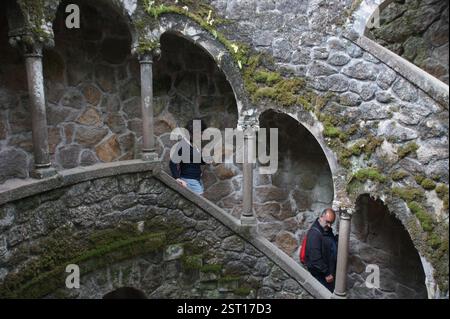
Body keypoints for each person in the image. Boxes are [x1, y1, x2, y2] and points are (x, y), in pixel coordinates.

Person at [169, 119, 208, 195]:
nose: (201, 135)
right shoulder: (183, 145)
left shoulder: (194, 145)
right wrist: (177, 178)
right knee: (200, 204)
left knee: (198, 204)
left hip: (197, 180)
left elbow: (195, 160)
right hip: (189, 181)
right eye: (200, 133)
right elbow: (172, 163)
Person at [305, 208, 338, 292]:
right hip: (322, 276)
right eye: (327, 222)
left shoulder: (325, 229)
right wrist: (327, 273)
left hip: (328, 273)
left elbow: (328, 244)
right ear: (321, 217)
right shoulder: (314, 234)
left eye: (331, 223)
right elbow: (315, 258)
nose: (330, 225)